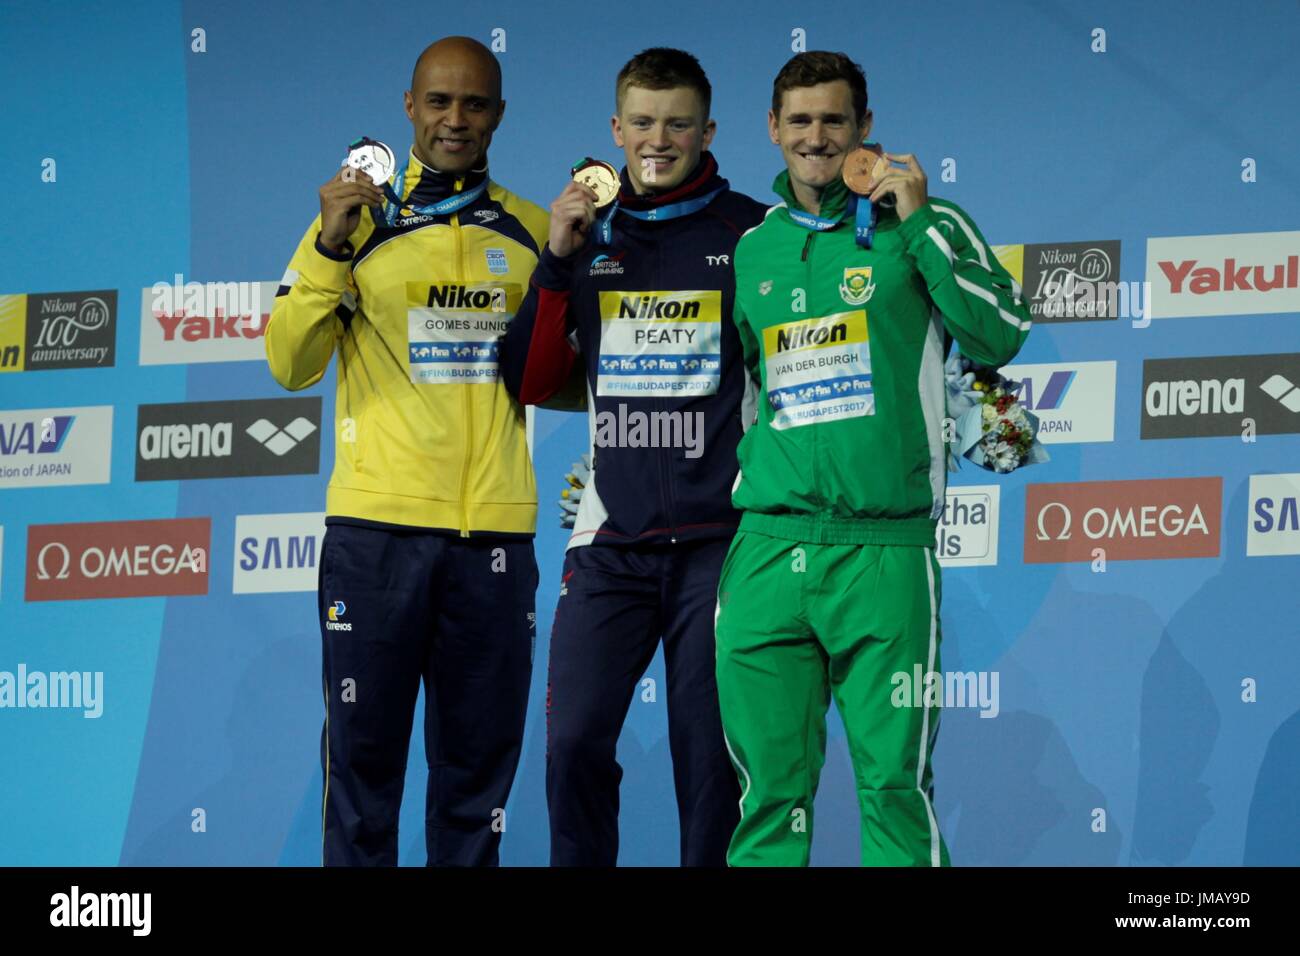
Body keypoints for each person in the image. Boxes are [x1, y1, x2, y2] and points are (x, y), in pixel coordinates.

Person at [716, 50, 1033, 866]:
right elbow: (750, 392)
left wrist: (921, 219)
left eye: (834, 119)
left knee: (893, 788)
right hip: (766, 547)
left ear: (865, 126)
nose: (817, 137)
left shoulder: (927, 223)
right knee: (766, 799)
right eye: (800, 120)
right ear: (773, 129)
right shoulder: (754, 247)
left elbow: (998, 332)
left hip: (883, 553)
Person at [265, 36, 549, 866]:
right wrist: (327, 248)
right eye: (439, 101)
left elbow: (559, 378)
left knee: (476, 782)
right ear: (408, 107)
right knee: (362, 773)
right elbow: (288, 364)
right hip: (375, 537)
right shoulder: (353, 222)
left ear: (498, 113)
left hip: (494, 538)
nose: (455, 120)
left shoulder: (533, 229)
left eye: (474, 103)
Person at [498, 48, 767, 866]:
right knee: (572, 743)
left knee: (711, 768)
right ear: (615, 130)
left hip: (720, 546)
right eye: (643, 123)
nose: (660, 139)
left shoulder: (750, 232)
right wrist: (555, 261)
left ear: (707, 130)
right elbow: (533, 379)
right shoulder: (587, 239)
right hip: (610, 546)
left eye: (678, 123)